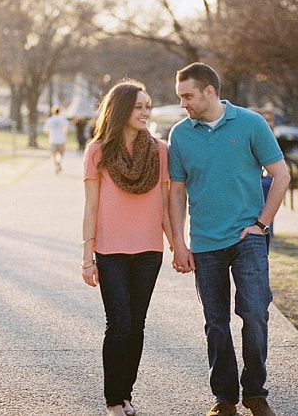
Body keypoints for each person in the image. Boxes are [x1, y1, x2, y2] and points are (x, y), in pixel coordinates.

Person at [167, 63, 290, 416]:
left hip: (247, 236)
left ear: (209, 91)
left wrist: (262, 224)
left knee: (254, 313)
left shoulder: (250, 124)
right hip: (205, 242)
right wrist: (178, 241)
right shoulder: (180, 134)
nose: (183, 104)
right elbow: (176, 192)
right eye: (180, 97)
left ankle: (255, 392)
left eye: (187, 96)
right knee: (216, 321)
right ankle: (224, 398)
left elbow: (280, 176)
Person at [81, 79, 173, 416]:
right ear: (121, 110)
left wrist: (178, 244)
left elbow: (164, 204)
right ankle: (112, 401)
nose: (145, 112)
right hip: (110, 252)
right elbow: (91, 207)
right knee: (119, 324)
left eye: (147, 106)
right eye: (138, 106)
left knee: (137, 324)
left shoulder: (161, 151)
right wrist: (87, 257)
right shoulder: (98, 152)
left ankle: (126, 394)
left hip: (150, 251)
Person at [43, 105, 70, 173]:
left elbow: (45, 130)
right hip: (61, 139)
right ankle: (58, 164)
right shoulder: (63, 119)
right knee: (61, 154)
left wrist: (51, 132)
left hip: (53, 139)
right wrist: (63, 133)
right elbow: (66, 129)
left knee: (54, 155)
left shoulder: (50, 120)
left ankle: (56, 166)